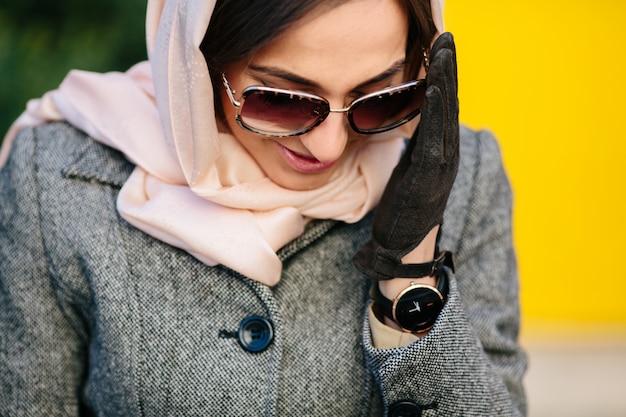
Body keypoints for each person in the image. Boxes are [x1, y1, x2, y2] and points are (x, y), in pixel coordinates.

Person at [0, 0, 527, 415]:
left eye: (381, 98)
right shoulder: (58, 178)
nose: (329, 147)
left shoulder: (458, 174)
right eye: (282, 99)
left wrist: (412, 286)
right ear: (198, 59)